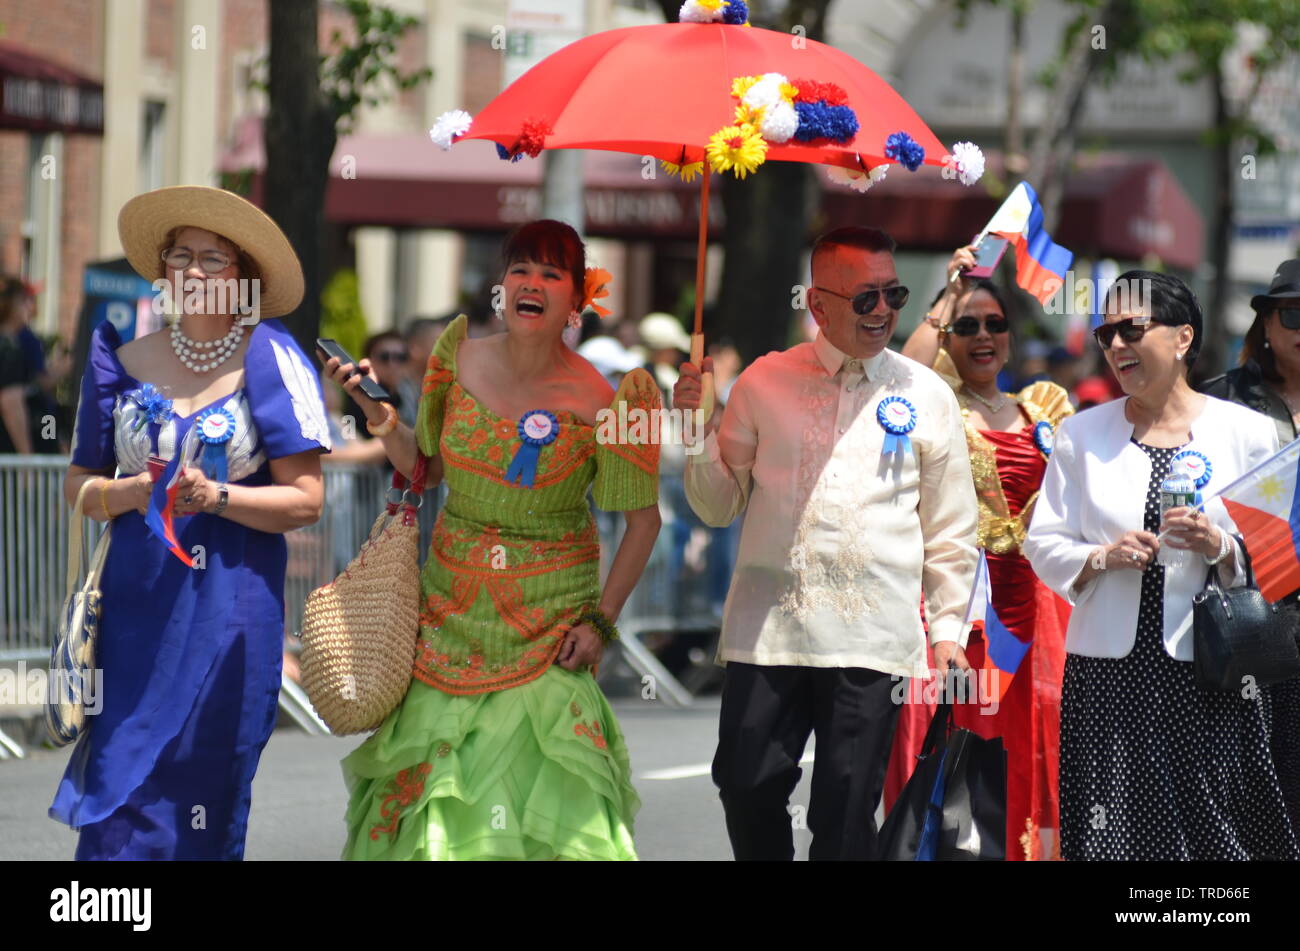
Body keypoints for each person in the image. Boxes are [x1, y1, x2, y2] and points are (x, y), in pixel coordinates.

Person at [322, 219, 662, 860]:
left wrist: (601, 625)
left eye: (551, 273)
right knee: (433, 814)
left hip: (550, 634)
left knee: (546, 822)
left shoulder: (605, 400)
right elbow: (426, 468)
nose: (531, 284)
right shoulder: (455, 359)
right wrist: (378, 416)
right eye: (520, 270)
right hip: (447, 623)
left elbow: (643, 522)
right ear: (503, 286)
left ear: (576, 298)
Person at [674, 226, 979, 861]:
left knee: (844, 811)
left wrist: (949, 630)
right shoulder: (763, 381)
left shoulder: (928, 395)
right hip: (768, 630)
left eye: (893, 294)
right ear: (818, 305)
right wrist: (697, 428)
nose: (884, 312)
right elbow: (717, 504)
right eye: (865, 298)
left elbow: (951, 529)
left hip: (872, 635)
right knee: (745, 783)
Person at [53, 185, 330, 860]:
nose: (196, 270)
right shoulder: (120, 361)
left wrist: (216, 497)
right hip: (132, 611)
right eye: (182, 255)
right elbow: (78, 486)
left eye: (214, 258)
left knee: (200, 799)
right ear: (163, 271)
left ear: (243, 279)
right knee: (118, 800)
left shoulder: (270, 354)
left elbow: (306, 499)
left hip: (227, 612)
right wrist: (130, 493)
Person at [1023, 270, 1298, 860]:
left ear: (1182, 338)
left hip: (1213, 671)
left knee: (1209, 827)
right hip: (1108, 675)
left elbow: (1280, 557)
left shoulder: (1247, 433)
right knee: (1110, 824)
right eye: (1106, 335)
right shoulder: (1081, 434)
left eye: (1132, 329)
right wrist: (1099, 556)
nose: (1117, 345)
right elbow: (1042, 542)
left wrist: (1219, 547)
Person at [894, 245, 1073, 860]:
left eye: (994, 324)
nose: (982, 335)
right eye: (965, 326)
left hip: (1034, 608)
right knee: (953, 734)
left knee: (1030, 743)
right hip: (959, 604)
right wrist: (948, 291)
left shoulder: (1040, 410)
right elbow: (900, 374)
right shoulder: (933, 402)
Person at [1200, 256, 1300, 838]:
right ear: (1265, 322)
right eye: (1293, 314)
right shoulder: (1218, 401)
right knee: (1245, 777)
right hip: (1248, 609)